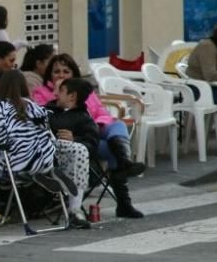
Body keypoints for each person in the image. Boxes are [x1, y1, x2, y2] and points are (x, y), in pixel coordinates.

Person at [32, 53, 145, 218]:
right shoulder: (41, 93)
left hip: (92, 132)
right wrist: (57, 94)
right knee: (113, 148)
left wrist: (95, 126)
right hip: (72, 142)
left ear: (73, 74)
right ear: (50, 74)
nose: (61, 75)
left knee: (117, 126)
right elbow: (44, 118)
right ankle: (124, 191)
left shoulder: (85, 91)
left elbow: (101, 112)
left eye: (66, 71)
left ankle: (124, 172)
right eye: (57, 71)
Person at [0, 71, 87, 227]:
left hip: (15, 159)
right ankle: (75, 210)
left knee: (2, 160)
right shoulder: (33, 106)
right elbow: (46, 132)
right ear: (23, 86)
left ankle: (38, 173)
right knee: (79, 150)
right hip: (44, 154)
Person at [43, 78, 100, 226]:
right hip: (44, 153)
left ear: (72, 96)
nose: (56, 94)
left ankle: (75, 210)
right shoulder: (49, 111)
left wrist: (75, 139)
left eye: (61, 91)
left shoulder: (83, 118)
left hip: (68, 162)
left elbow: (92, 143)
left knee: (79, 150)